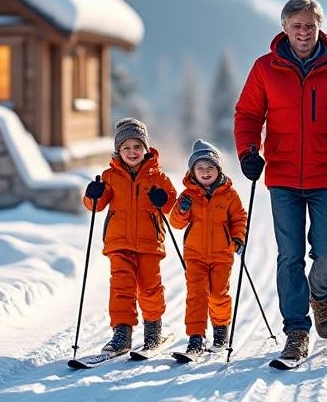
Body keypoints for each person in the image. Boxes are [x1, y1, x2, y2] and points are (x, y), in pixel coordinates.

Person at [234, 0, 327, 364]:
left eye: (310, 25)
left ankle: (321, 297)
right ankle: (296, 332)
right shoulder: (265, 68)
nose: (303, 32)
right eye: (297, 25)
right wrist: (249, 152)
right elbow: (248, 114)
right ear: (284, 27)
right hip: (282, 175)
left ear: (319, 27)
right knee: (289, 256)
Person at [82, 118, 178, 355]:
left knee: (150, 288)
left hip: (149, 244)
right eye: (126, 148)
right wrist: (92, 195)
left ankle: (153, 330)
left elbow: (172, 207)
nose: (132, 152)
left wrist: (162, 200)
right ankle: (121, 333)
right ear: (118, 150)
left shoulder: (158, 177)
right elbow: (95, 206)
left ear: (146, 149)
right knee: (120, 288)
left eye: (137, 147)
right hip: (119, 243)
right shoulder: (110, 176)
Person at [168, 139, 247, 354]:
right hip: (195, 255)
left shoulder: (229, 195)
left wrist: (238, 238)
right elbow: (175, 223)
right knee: (197, 295)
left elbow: (239, 218)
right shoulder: (187, 196)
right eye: (200, 168)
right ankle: (196, 338)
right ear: (193, 171)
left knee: (219, 294)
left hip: (222, 254)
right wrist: (182, 210)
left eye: (210, 167)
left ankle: (221, 331)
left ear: (218, 169)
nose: (205, 172)